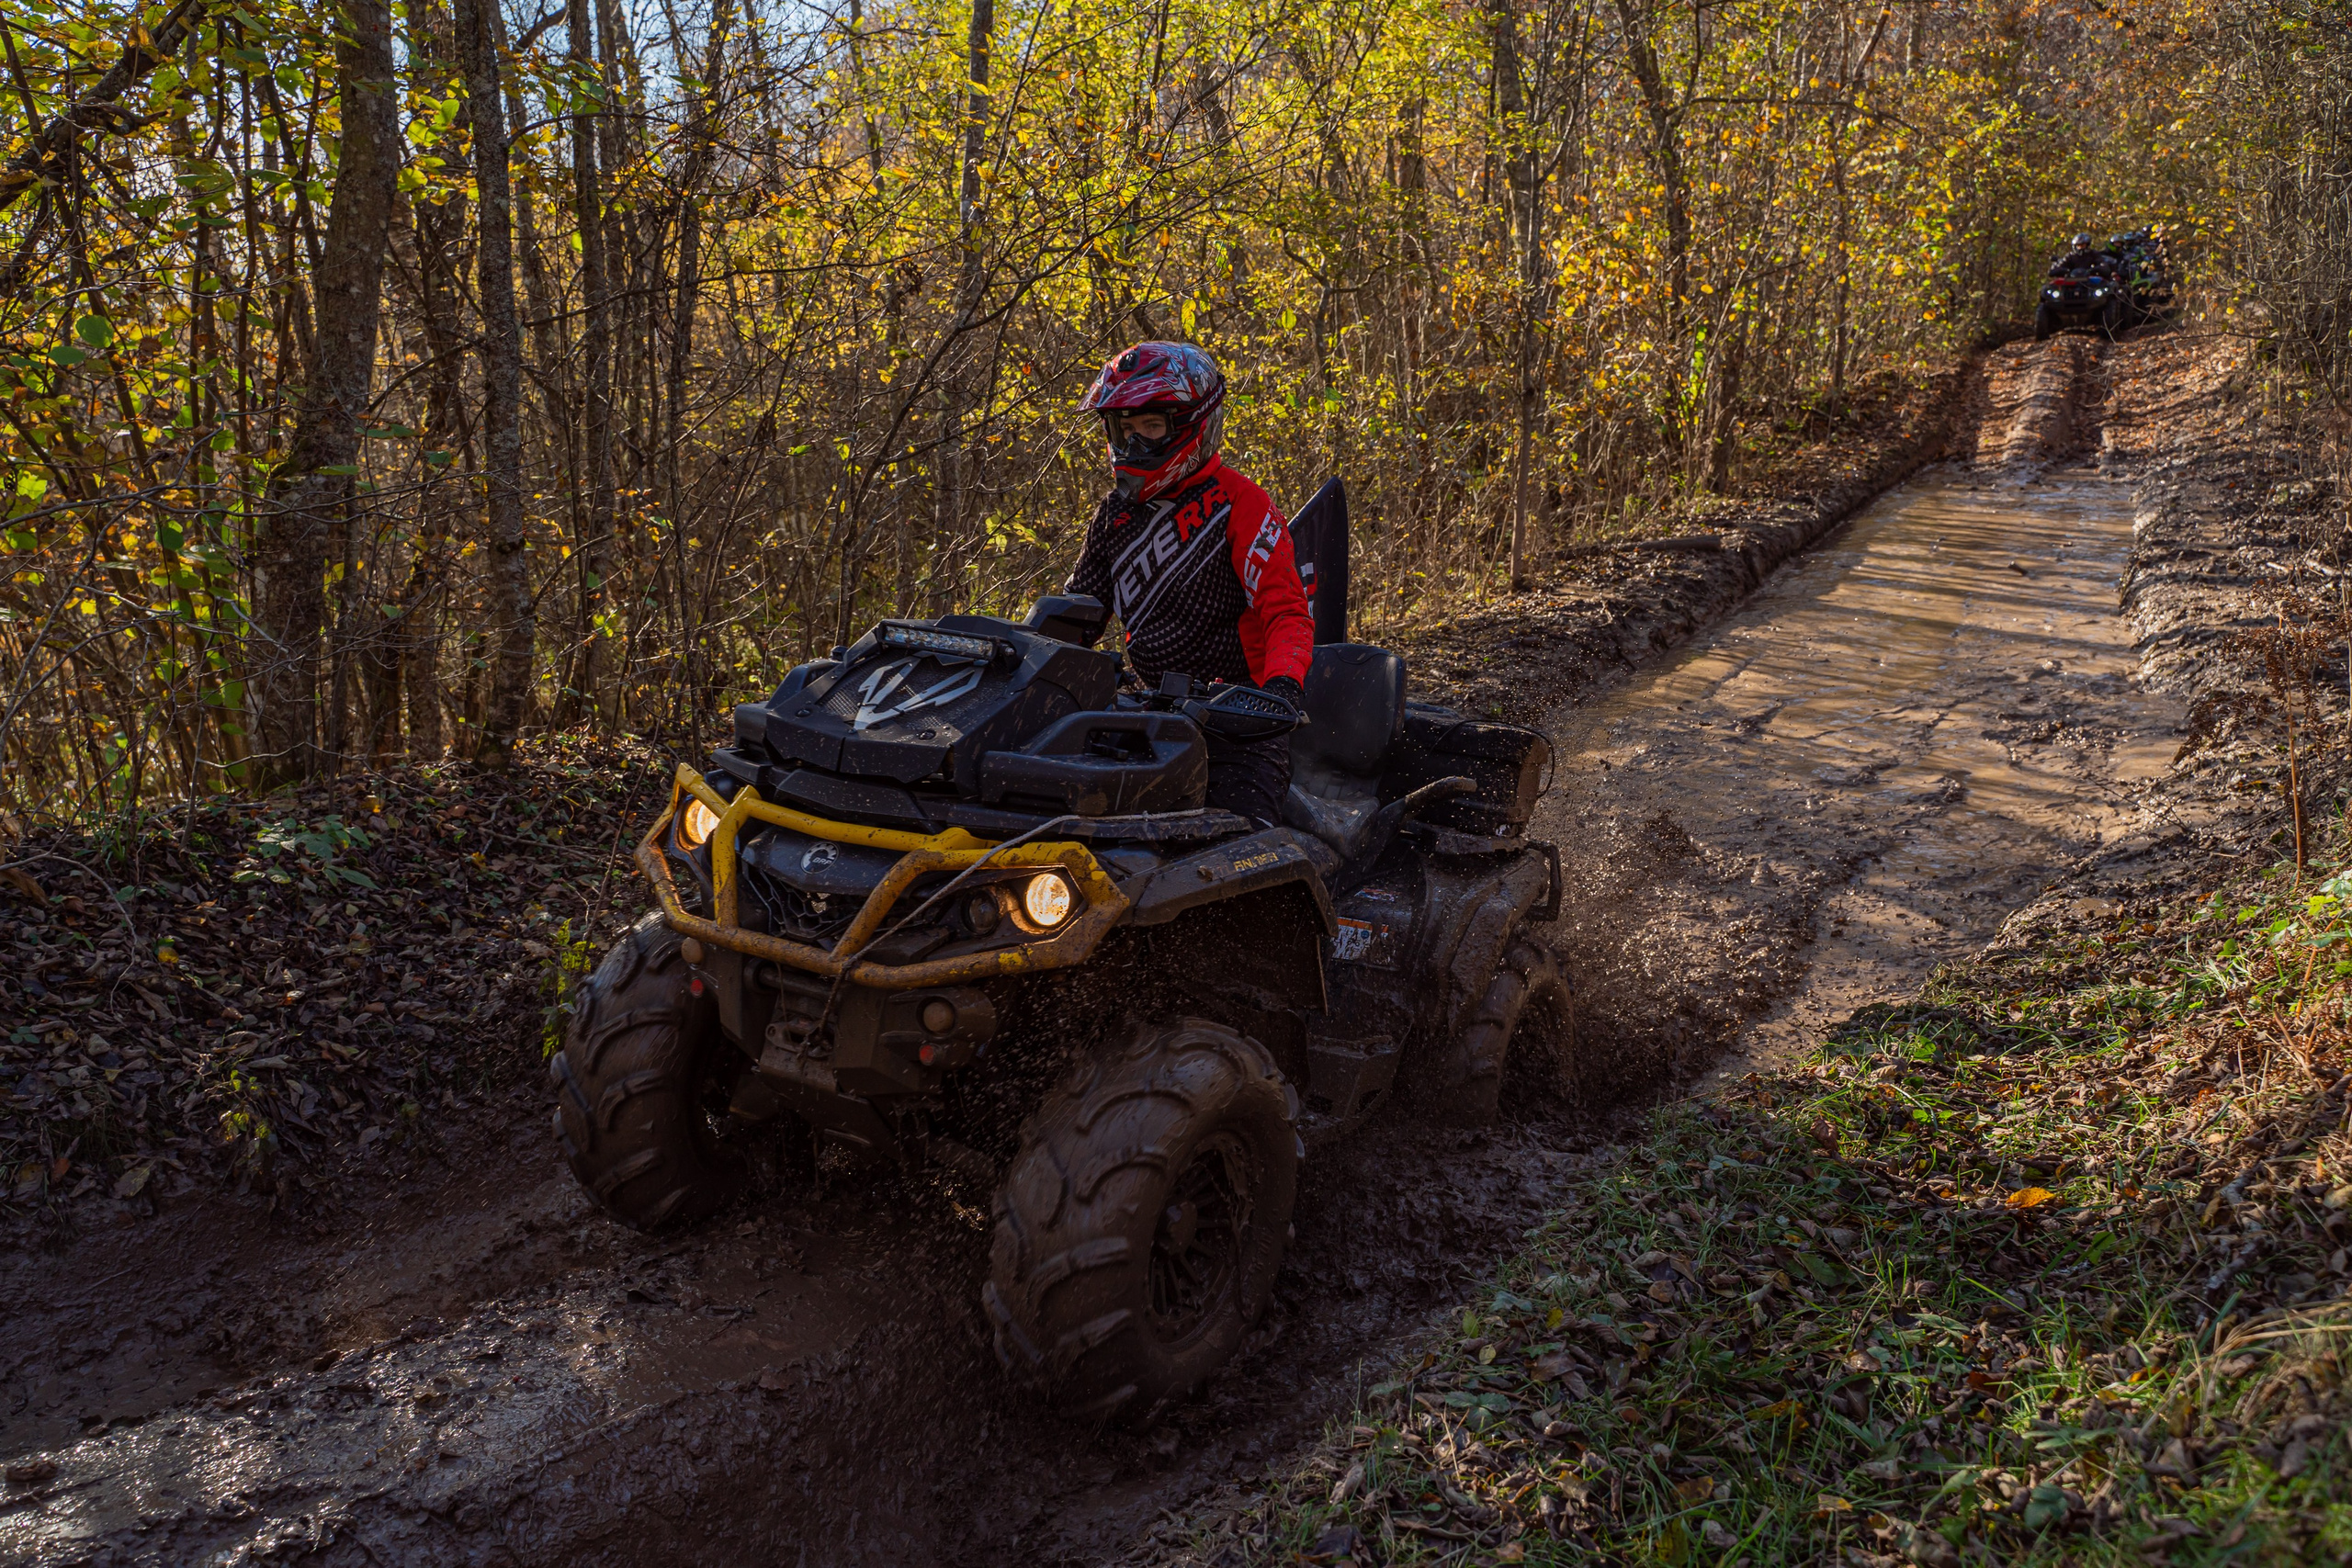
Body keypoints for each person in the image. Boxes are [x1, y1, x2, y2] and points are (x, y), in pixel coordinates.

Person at [1065, 342, 1314, 828]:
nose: (1135, 443)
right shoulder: (1115, 514)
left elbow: (1285, 612)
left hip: (1240, 719)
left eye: (1152, 427)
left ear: (1192, 424)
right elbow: (1079, 613)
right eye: (1125, 429)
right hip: (1146, 713)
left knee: (1239, 846)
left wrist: (1282, 688)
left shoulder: (1243, 504)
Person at [2050, 231, 2118, 280]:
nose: (2081, 247)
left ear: (2087, 245)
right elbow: (2059, 266)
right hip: (2071, 281)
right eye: (2078, 246)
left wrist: (2094, 269)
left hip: (2090, 281)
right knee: (2049, 290)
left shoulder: (2094, 254)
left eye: (2083, 245)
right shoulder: (2070, 256)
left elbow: (2103, 265)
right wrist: (2065, 270)